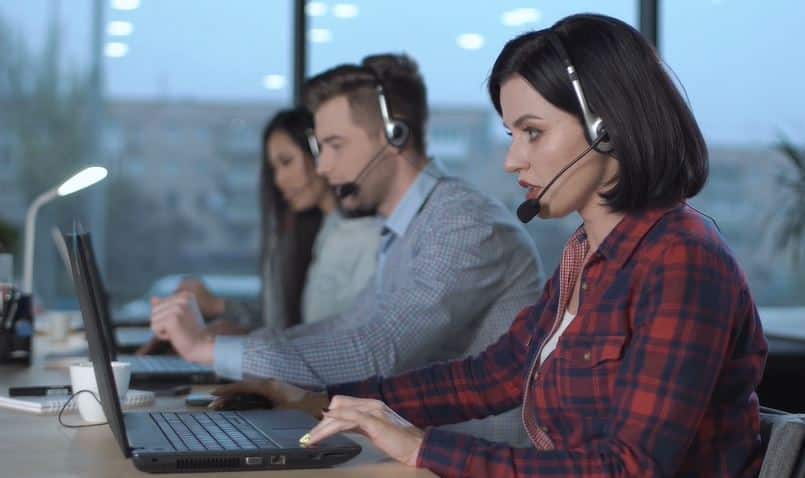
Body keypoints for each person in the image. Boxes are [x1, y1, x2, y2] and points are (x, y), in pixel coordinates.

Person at [210, 14, 769, 477]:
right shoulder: (587, 256)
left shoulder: (682, 260)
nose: (512, 160)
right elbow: (492, 376)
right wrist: (328, 401)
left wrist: (422, 448)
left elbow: (630, 468)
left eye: (533, 132)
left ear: (606, 127)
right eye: (511, 135)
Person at [148, 53, 545, 445]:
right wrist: (239, 353)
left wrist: (207, 348)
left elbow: (378, 351)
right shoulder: (402, 229)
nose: (322, 167)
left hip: (470, 463)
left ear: (394, 136)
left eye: (335, 145)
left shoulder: (464, 224)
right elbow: (343, 328)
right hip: (412, 453)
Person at [143, 108, 381, 348]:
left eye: (287, 162)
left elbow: (335, 342)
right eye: (274, 169)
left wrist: (225, 342)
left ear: (319, 152)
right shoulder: (318, 232)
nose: (279, 180)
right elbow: (290, 326)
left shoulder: (364, 236)